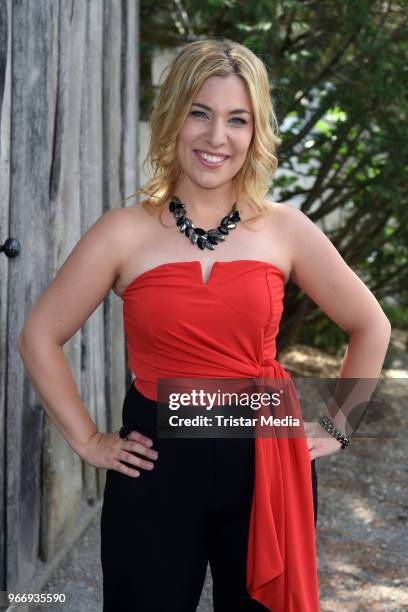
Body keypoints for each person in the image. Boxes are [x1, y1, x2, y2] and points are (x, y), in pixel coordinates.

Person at [18, 38, 391, 612]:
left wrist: (340, 425)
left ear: (255, 131)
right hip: (156, 463)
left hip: (265, 460)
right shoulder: (123, 232)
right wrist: (88, 440)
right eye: (201, 113)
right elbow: (39, 335)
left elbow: (371, 325)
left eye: (237, 120)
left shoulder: (285, 229)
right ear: (172, 118)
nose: (217, 137)